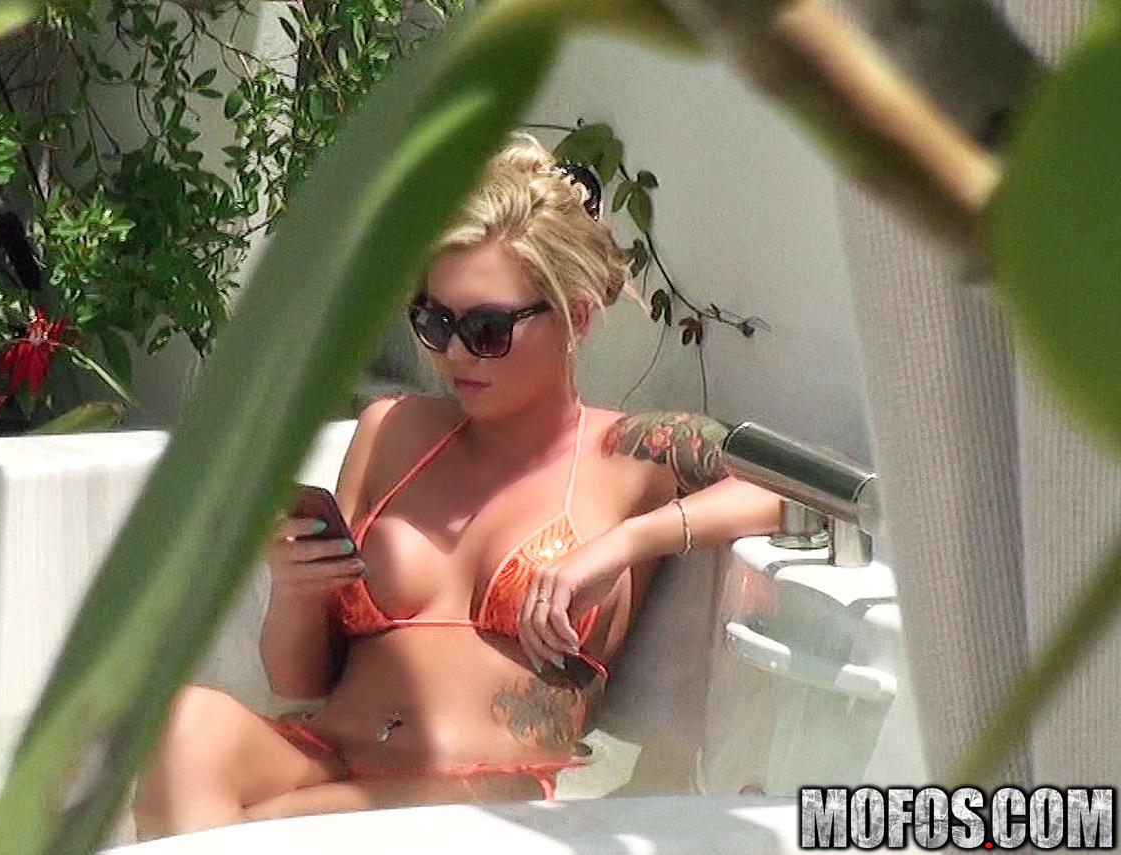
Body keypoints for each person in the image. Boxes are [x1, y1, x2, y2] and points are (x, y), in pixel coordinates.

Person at [132, 132, 784, 839]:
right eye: (434, 321)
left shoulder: (628, 452)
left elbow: (796, 485)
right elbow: (301, 683)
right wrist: (295, 586)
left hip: (479, 797)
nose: (454, 353)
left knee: (250, 832)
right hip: (330, 759)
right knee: (184, 726)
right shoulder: (391, 429)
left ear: (576, 317)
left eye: (487, 329)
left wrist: (626, 543)